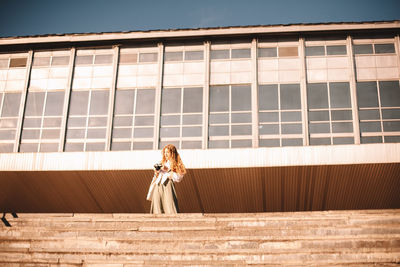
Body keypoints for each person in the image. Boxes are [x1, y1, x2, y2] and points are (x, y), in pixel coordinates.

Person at [147, 144, 186, 214]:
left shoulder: (177, 164)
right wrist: (157, 172)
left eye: (167, 152)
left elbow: (178, 178)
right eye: (164, 152)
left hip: (168, 185)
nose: (165, 154)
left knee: (170, 206)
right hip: (158, 186)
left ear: (172, 153)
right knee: (157, 207)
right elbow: (156, 176)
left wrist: (168, 169)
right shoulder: (162, 163)